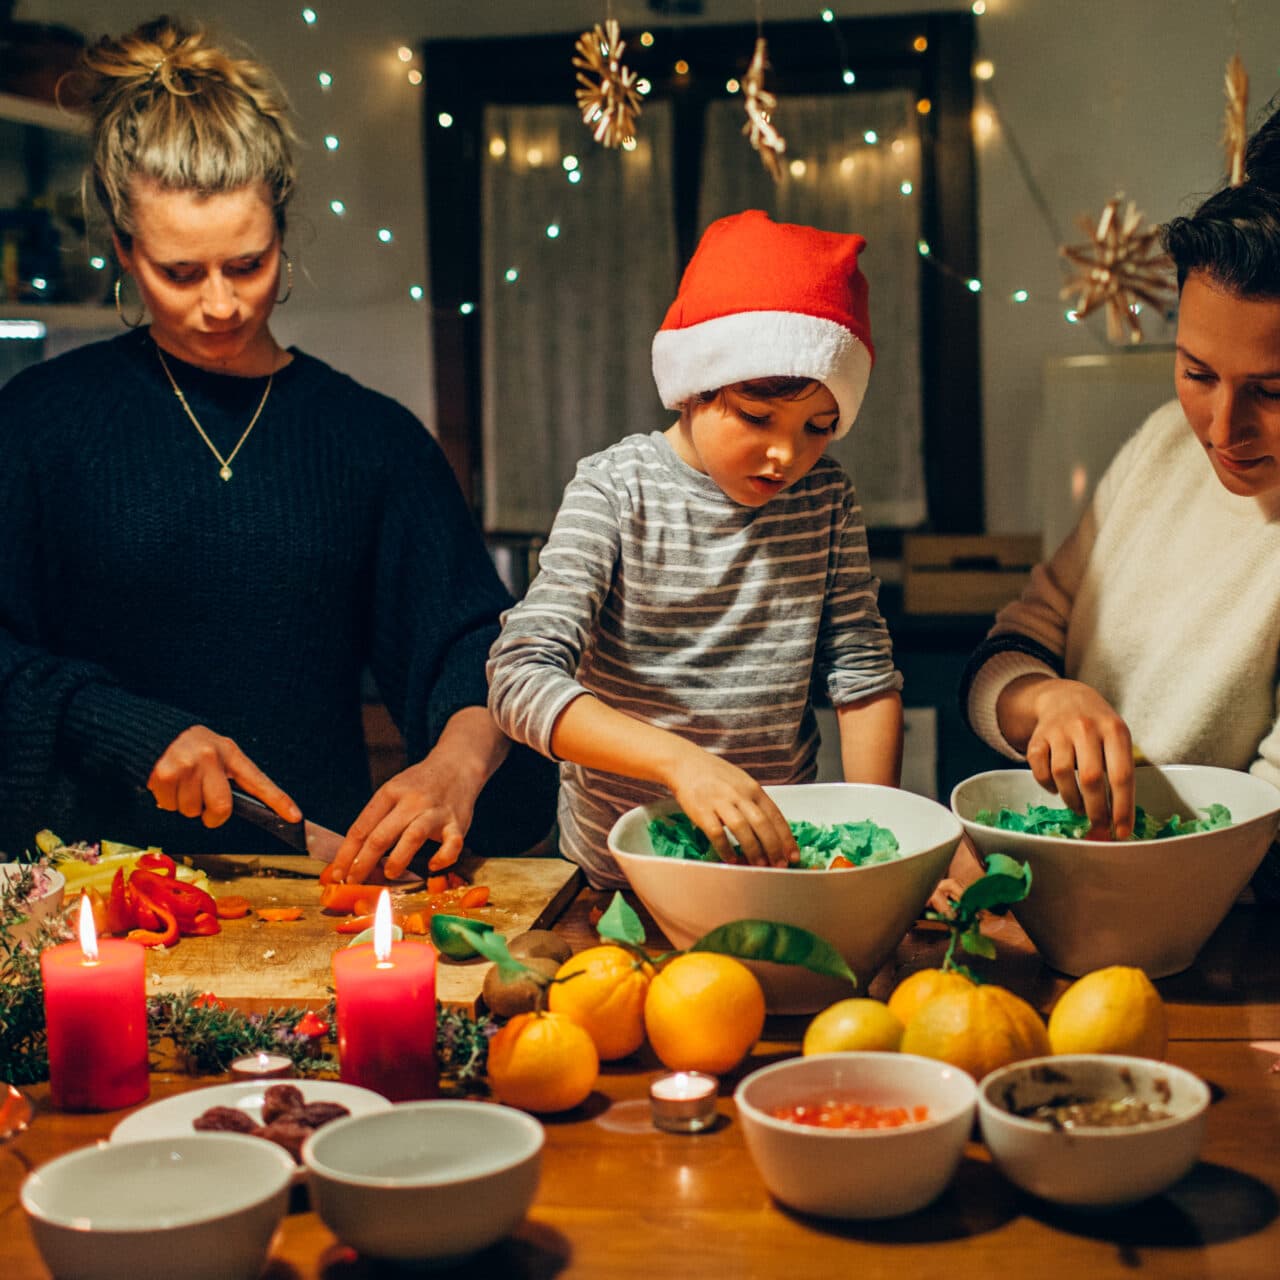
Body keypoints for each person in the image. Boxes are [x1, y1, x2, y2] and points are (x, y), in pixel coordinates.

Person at [0, 18, 555, 883]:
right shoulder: (38, 426)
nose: (220, 304)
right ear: (122, 249)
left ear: (282, 235)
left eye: (247, 264)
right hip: (88, 895)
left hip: (312, 888)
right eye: (180, 273)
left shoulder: (369, 439)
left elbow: (472, 646)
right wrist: (132, 730)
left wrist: (458, 762)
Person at [487, 210, 904, 889]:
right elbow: (518, 676)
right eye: (758, 417)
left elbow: (862, 675)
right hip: (624, 872)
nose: (786, 454)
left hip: (780, 865)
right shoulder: (615, 491)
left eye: (818, 427)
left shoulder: (825, 500)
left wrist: (888, 836)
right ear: (693, 388)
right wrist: (681, 763)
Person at [959, 131, 1280, 894]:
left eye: (1273, 391)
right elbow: (1010, 652)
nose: (1220, 428)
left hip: (1218, 934)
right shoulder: (1164, 446)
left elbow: (1265, 842)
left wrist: (1057, 867)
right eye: (1198, 372)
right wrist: (1050, 703)